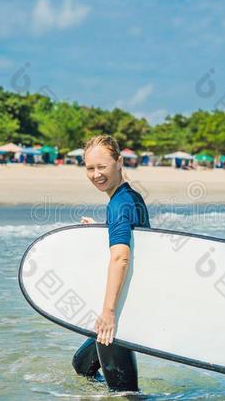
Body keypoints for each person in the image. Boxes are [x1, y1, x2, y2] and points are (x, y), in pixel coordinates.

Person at [72, 135, 150, 392]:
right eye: (90, 168)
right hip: (132, 301)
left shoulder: (119, 205)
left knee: (125, 394)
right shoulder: (131, 197)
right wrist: (102, 229)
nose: (96, 175)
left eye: (102, 167)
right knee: (82, 365)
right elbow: (137, 240)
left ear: (119, 162)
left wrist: (108, 314)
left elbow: (121, 257)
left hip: (121, 310)